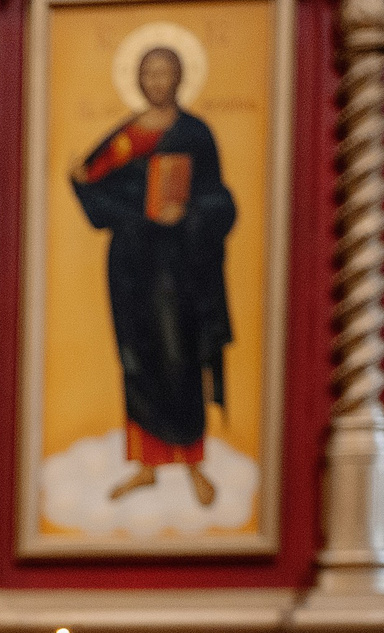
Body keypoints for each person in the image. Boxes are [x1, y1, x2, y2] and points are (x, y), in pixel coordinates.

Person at [70, 44, 235, 507]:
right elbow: (94, 185)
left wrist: (186, 213)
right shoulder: (125, 136)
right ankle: (145, 466)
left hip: (181, 268)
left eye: (165, 73)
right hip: (132, 267)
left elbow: (221, 201)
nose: (157, 82)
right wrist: (83, 181)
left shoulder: (195, 134)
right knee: (138, 359)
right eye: (149, 74)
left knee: (180, 359)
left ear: (179, 78)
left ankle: (194, 463)